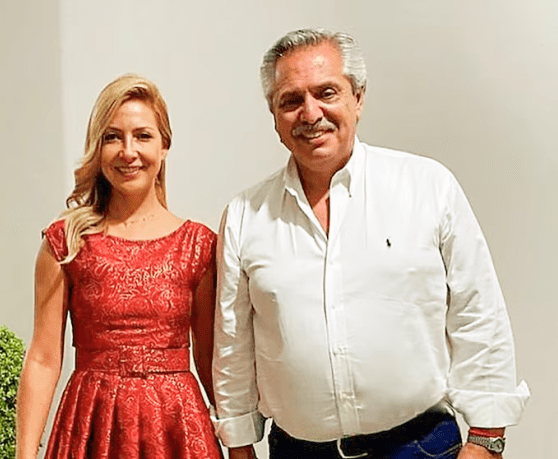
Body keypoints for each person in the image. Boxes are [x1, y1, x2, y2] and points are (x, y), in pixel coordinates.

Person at [212, 28, 529, 459]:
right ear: (274, 114)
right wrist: (239, 447)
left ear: (358, 98)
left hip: (421, 447)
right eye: (291, 100)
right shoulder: (245, 216)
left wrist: (487, 439)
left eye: (326, 92)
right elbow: (233, 347)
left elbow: (478, 314)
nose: (310, 113)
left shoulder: (428, 187)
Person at [16, 74, 222, 459]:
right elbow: (43, 358)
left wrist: (239, 444)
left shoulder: (198, 246)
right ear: (97, 148)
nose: (128, 152)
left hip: (176, 427)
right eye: (113, 137)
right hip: (92, 426)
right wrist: (25, 454)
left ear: (164, 146)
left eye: (142, 136)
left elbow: (209, 361)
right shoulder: (66, 242)